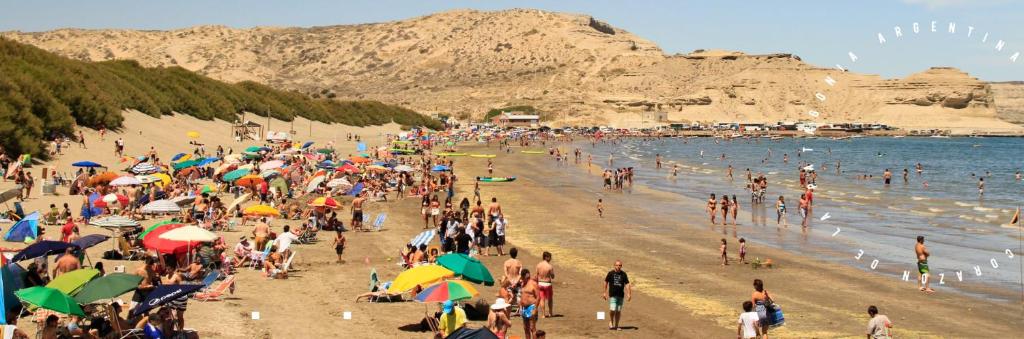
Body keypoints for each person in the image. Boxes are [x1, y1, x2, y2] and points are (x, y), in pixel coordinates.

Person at [519, 269, 539, 339]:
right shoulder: (522, 284)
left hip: (531, 307)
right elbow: (522, 295)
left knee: (532, 328)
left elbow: (538, 297)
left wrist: (535, 309)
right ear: (522, 277)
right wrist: (521, 307)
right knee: (525, 328)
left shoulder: (533, 284)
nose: (528, 279)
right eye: (526, 278)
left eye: (528, 277)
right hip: (524, 308)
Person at [535, 252, 554, 318]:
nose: (550, 258)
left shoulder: (538, 265)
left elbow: (536, 276)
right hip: (547, 284)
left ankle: (543, 314)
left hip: (540, 283)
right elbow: (553, 276)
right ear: (546, 257)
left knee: (542, 299)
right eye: (549, 257)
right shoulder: (549, 266)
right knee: (550, 299)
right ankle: (550, 313)